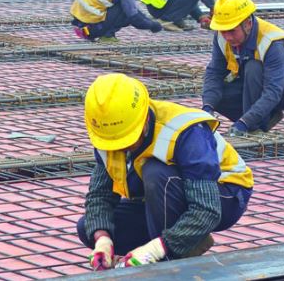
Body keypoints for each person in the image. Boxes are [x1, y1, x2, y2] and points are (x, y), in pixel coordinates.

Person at [77, 73, 253, 270]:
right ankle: (169, 242)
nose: (121, 149)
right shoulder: (107, 135)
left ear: (144, 120)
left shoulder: (185, 131)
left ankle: (174, 252)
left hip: (223, 196)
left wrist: (158, 249)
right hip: (165, 198)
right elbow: (99, 195)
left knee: (155, 173)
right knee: (88, 227)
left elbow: (207, 211)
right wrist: (103, 239)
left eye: (128, 141)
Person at [202, 0, 284, 136]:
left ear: (248, 24)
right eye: (223, 31)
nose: (227, 37)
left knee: (253, 67)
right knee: (213, 91)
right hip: (252, 85)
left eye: (232, 31)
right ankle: (262, 117)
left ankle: (254, 125)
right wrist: (207, 108)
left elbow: (273, 91)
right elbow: (214, 72)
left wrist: (245, 124)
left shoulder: (273, 42)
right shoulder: (222, 35)